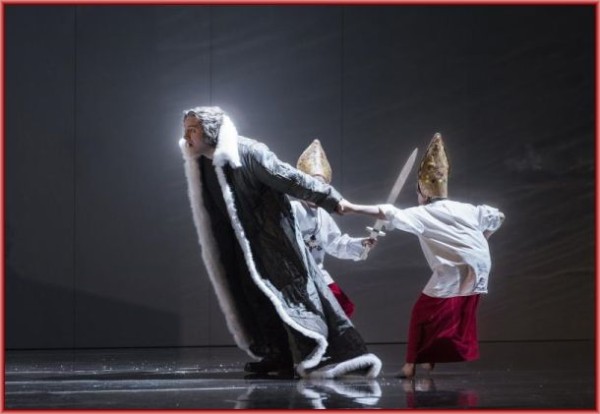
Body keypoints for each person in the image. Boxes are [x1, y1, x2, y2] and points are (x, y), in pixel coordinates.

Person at [178, 106, 381, 379]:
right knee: (255, 298)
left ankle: (318, 353)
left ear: (211, 131)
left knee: (292, 297)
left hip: (272, 242)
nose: (186, 137)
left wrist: (333, 200)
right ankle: (278, 354)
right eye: (185, 130)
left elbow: (288, 177)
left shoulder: (249, 152)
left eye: (193, 130)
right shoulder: (204, 163)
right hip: (241, 246)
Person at [343, 133, 505, 378]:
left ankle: (409, 366)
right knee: (450, 312)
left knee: (422, 314)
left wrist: (352, 208)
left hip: (454, 269)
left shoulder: (423, 213)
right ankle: (429, 358)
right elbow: (498, 216)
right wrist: (483, 240)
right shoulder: (465, 208)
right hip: (480, 266)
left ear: (424, 193)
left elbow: (388, 212)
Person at [291, 139, 375, 318]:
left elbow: (335, 243)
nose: (317, 192)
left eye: (322, 188)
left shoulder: (323, 214)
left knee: (343, 308)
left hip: (318, 273)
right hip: (295, 276)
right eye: (312, 186)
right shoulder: (291, 210)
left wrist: (360, 244)